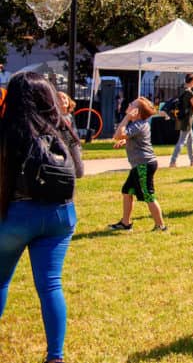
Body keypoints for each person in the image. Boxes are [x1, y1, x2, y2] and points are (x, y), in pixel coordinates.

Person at [0, 72, 84, 363]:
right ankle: (55, 356)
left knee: (0, 281)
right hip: (59, 215)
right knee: (50, 285)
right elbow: (79, 171)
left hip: (16, 215)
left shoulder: (9, 129)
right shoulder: (63, 128)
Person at [108, 96, 168, 232]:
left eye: (132, 104)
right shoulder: (138, 124)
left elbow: (117, 135)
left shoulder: (137, 124)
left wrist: (126, 118)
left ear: (137, 112)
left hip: (144, 165)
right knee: (127, 191)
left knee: (148, 195)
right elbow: (129, 138)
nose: (128, 104)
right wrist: (125, 141)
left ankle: (161, 226)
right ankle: (125, 223)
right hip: (141, 165)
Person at [169, 73, 193, 168]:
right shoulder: (190, 93)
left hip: (180, 117)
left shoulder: (181, 90)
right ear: (191, 81)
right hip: (187, 119)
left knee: (191, 139)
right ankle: (173, 161)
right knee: (182, 140)